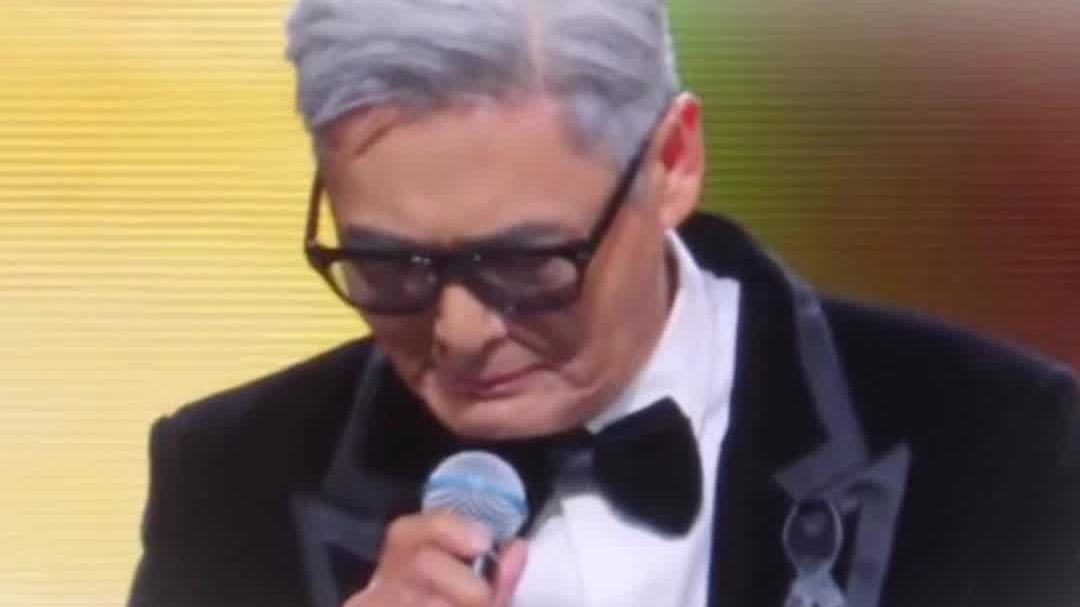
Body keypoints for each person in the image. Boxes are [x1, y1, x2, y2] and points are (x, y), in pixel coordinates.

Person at [127, 0, 1080, 606]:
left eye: (524, 260)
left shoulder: (1006, 442)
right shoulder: (230, 481)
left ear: (673, 162)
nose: (459, 332)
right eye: (390, 264)